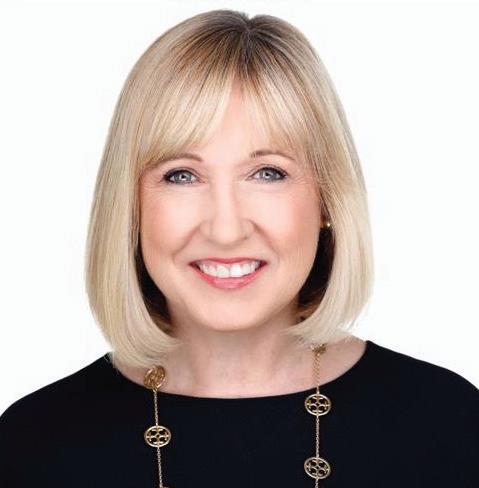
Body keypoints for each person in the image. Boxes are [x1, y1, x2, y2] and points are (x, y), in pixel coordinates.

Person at [0, 9, 477, 488]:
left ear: (328, 200)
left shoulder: (451, 425)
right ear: (130, 206)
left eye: (268, 173)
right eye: (181, 175)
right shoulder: (31, 446)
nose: (226, 229)